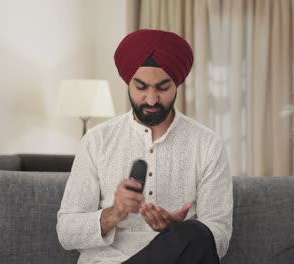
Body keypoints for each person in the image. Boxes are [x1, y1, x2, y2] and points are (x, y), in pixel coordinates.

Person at [57, 29, 233, 264]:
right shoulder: (97, 140)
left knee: (196, 234)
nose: (151, 100)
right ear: (128, 83)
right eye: (141, 87)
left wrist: (175, 233)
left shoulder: (207, 144)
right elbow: (66, 233)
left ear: (177, 84)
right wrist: (113, 213)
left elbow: (219, 236)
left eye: (162, 88)